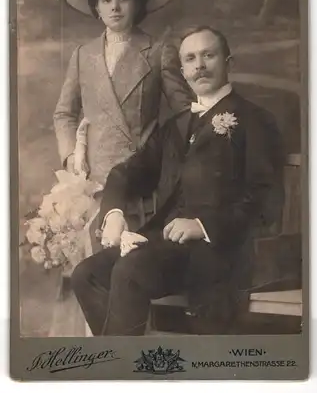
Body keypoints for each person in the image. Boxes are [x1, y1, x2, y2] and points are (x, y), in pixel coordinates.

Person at [71, 25, 285, 336]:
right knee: (86, 274)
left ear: (229, 62)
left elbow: (267, 199)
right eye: (190, 59)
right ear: (182, 71)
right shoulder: (174, 126)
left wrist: (203, 225)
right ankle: (123, 365)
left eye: (208, 55)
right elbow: (126, 172)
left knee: (131, 270)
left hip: (219, 251)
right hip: (164, 246)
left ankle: (116, 373)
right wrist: (114, 213)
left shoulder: (255, 120)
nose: (199, 66)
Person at [51, 0, 193, 245]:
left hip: (139, 177)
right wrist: (71, 156)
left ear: (138, 2)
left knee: (129, 259)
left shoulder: (157, 50)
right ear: (96, 7)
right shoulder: (82, 54)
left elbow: (184, 113)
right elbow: (64, 113)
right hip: (91, 178)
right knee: (90, 259)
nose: (115, 7)